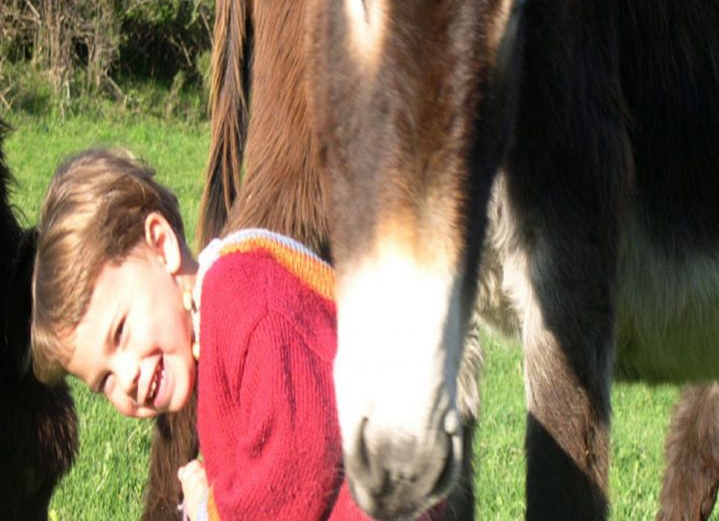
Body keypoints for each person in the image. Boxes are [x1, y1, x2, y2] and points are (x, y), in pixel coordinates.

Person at [30, 149, 445, 521]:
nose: (127, 380)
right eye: (104, 381)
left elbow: (298, 459)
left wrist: (211, 509)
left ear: (161, 247)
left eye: (120, 333)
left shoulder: (244, 293)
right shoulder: (212, 329)